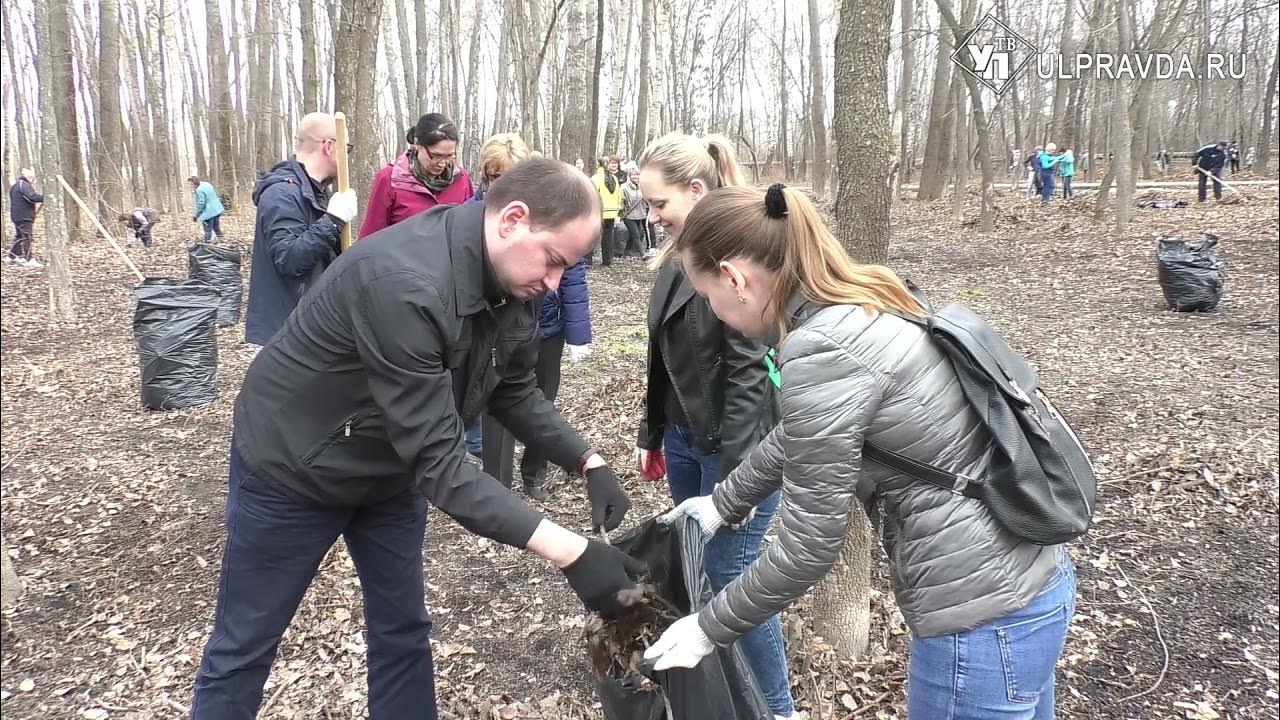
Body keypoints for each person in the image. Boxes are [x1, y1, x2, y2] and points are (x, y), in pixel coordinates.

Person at [189, 159, 638, 719]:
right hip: (294, 466)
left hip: (388, 470)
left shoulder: (512, 281)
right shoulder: (405, 283)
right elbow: (442, 464)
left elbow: (513, 388)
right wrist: (572, 553)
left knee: (402, 628)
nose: (552, 282)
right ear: (512, 219)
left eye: (564, 271)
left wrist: (586, 459)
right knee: (246, 643)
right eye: (552, 262)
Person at [643, 183, 1076, 720]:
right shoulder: (861, 300)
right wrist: (722, 503)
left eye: (708, 296)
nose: (714, 310)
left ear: (735, 279)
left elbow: (807, 549)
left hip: (980, 619)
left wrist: (707, 628)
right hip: (1030, 583)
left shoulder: (820, 346)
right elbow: (803, 431)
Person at [635, 132, 798, 720]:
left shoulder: (733, 258)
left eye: (658, 204)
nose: (650, 216)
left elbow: (752, 373)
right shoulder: (674, 260)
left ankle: (777, 708)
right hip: (684, 438)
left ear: (696, 190)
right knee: (696, 567)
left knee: (733, 580)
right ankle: (717, 693)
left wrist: (736, 480)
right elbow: (661, 356)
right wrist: (652, 436)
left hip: (735, 447)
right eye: (646, 205)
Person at [244, 112, 358, 347]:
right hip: (287, 332)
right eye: (346, 148)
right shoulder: (282, 193)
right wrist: (333, 221)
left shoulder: (315, 192)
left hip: (309, 322)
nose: (348, 156)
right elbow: (290, 259)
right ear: (329, 146)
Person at [359, 113, 474, 238]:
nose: (442, 163)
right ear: (417, 145)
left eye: (449, 156)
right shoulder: (390, 180)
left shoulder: (461, 180)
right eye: (436, 156)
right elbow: (371, 236)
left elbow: (469, 229)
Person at [590, 156, 624, 266]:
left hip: (599, 211)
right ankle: (607, 260)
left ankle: (587, 260)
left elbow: (591, 194)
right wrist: (618, 209)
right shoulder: (614, 178)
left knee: (592, 235)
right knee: (608, 236)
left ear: (598, 164)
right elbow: (619, 195)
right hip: (612, 211)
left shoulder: (596, 178)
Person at [7, 168, 43, 267]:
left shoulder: (15, 186)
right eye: (31, 177)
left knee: (19, 236)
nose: (33, 179)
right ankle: (29, 259)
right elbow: (31, 197)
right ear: (27, 176)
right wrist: (44, 197)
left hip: (17, 215)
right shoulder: (24, 185)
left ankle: (11, 256)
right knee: (27, 236)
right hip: (24, 216)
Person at [620, 168, 649, 258]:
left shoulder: (642, 186)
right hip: (628, 214)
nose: (635, 176)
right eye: (633, 175)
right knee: (636, 234)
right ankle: (643, 254)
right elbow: (621, 200)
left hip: (640, 213)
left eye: (637, 174)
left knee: (638, 233)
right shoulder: (624, 187)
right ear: (629, 176)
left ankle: (626, 252)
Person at [189, 176, 226, 244]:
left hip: (209, 213)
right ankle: (223, 242)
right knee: (216, 227)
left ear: (194, 183)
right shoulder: (206, 184)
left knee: (207, 230)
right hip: (217, 209)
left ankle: (206, 246)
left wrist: (196, 215)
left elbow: (201, 203)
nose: (190, 186)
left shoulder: (199, 190)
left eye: (191, 184)